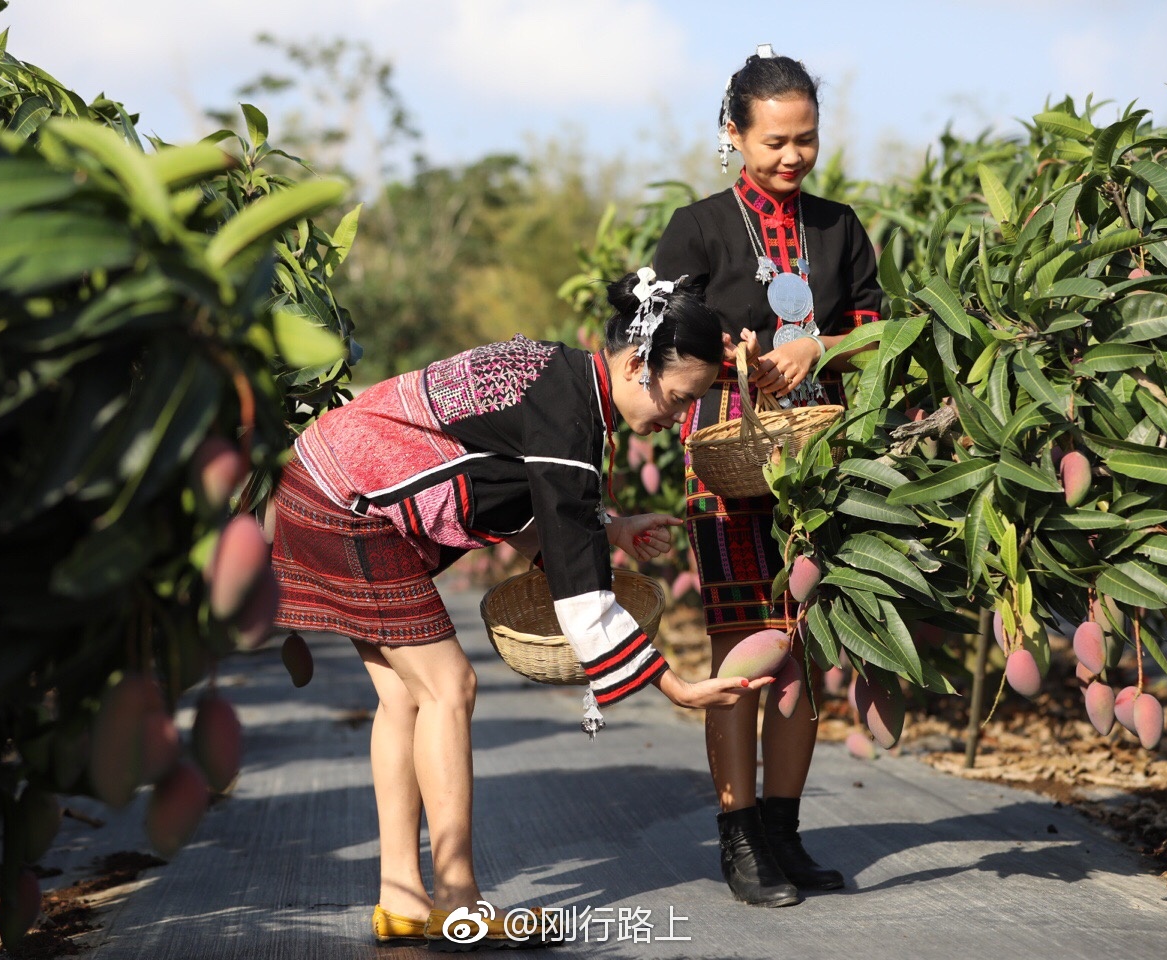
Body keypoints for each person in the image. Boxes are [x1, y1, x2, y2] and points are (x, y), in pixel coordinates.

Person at [269, 271, 775, 948]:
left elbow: (504, 484)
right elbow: (578, 578)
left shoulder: (559, 378)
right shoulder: (570, 412)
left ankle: (401, 898)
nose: (679, 417)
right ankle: (458, 902)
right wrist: (675, 685)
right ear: (637, 365)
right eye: (681, 397)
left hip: (319, 481)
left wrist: (612, 528)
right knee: (450, 687)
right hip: (348, 507)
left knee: (405, 697)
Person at [653, 47, 883, 908]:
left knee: (805, 644)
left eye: (805, 140)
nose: (792, 157)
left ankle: (784, 830)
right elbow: (647, 335)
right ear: (734, 134)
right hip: (727, 456)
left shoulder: (838, 227)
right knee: (742, 644)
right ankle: (739, 832)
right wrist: (729, 356)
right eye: (774, 141)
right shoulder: (699, 228)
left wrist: (817, 346)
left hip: (821, 458)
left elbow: (879, 329)